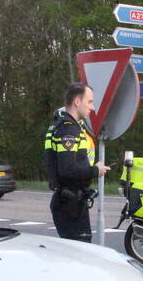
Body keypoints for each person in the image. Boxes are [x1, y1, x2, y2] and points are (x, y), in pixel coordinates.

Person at [46, 82, 110, 241]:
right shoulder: (68, 129)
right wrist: (95, 170)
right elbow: (67, 169)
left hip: (70, 201)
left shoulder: (63, 126)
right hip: (70, 204)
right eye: (90, 102)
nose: (92, 108)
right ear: (77, 101)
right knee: (79, 251)